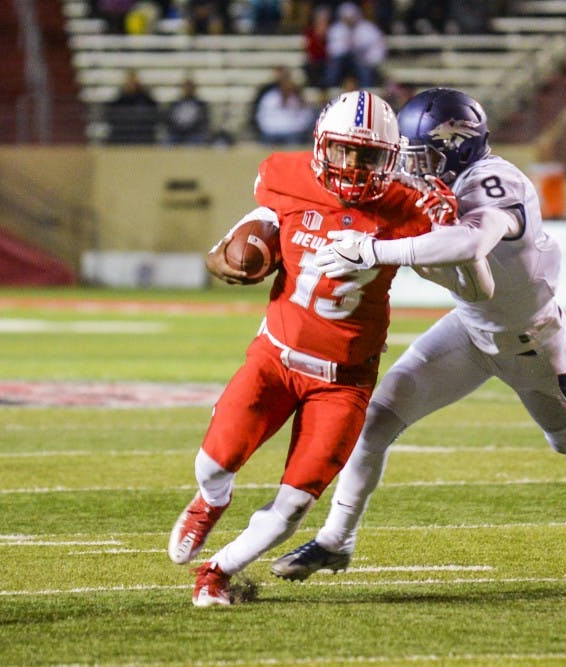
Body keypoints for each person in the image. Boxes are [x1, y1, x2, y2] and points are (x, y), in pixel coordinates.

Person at [270, 88, 566, 581]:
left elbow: (471, 241)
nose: (412, 168)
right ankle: (336, 541)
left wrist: (374, 252)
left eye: (422, 156)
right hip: (469, 326)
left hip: (528, 340)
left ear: (457, 146)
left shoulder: (496, 181)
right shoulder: (429, 181)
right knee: (375, 421)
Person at [167, 89, 470, 607]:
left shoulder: (410, 206)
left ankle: (216, 573)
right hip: (274, 359)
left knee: (293, 505)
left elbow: (464, 270)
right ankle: (211, 501)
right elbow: (240, 238)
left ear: (390, 158)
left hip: (344, 382)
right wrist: (229, 260)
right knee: (214, 463)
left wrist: (446, 223)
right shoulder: (285, 176)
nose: (351, 165)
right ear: (320, 145)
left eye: (367, 155)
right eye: (342, 150)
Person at [325, 2, 386, 88]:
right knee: (335, 65)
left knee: (361, 65)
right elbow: (333, 50)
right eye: (346, 18)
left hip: (362, 61)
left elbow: (376, 48)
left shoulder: (367, 28)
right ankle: (330, 86)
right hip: (342, 62)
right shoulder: (336, 29)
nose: (349, 20)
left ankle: (366, 87)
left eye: (351, 17)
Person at [252, 66, 316, 144]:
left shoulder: (298, 99)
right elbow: (262, 117)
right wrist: (271, 128)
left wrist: (297, 128)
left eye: (287, 82)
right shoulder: (270, 98)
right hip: (271, 132)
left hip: (293, 133)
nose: (286, 86)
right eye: (283, 83)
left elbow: (306, 116)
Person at [104, 69, 159, 144]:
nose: (131, 83)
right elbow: (111, 116)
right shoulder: (120, 99)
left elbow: (154, 114)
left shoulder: (146, 98)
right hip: (123, 135)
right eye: (129, 81)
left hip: (143, 135)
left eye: (133, 80)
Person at [165, 77, 209, 145]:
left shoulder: (200, 104)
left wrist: (190, 129)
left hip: (194, 133)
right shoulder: (175, 104)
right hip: (177, 133)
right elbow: (170, 119)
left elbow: (203, 121)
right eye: (186, 87)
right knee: (167, 143)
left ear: (194, 89)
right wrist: (178, 129)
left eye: (190, 87)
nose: (188, 89)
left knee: (196, 142)